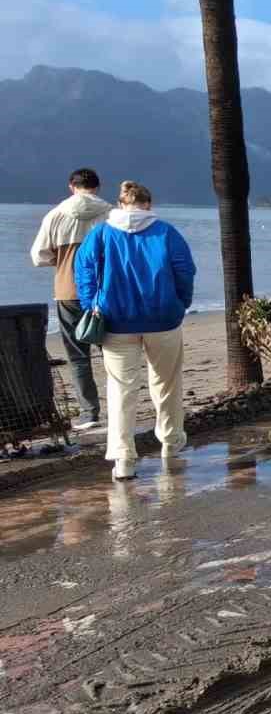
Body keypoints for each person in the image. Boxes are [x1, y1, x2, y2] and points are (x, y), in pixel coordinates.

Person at [73, 181, 196, 481]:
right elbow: (185, 271)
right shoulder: (166, 232)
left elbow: (84, 271)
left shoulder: (101, 233)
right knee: (166, 384)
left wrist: (92, 304)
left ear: (120, 203)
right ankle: (170, 442)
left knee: (121, 390)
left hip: (116, 322)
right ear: (148, 204)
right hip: (163, 320)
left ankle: (123, 459)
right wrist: (181, 303)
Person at [29, 168, 113, 428]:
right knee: (113, 353)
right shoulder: (111, 214)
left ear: (71, 186)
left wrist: (61, 260)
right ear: (97, 187)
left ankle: (90, 414)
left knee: (78, 356)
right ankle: (121, 408)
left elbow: (38, 256)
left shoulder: (55, 215)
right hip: (105, 292)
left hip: (68, 291)